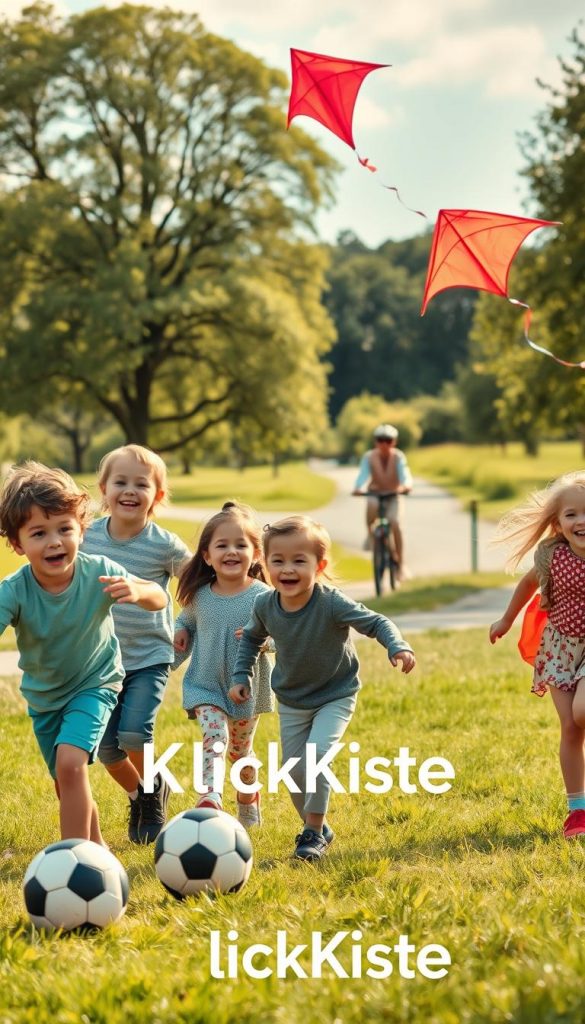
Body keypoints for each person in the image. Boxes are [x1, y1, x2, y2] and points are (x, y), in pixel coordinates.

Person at [229, 515, 415, 861]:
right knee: (293, 770)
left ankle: (311, 833)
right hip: (293, 699)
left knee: (315, 758)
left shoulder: (331, 602)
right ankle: (318, 826)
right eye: (278, 561)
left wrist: (397, 645)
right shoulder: (265, 604)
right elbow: (252, 639)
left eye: (299, 560)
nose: (288, 569)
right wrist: (241, 676)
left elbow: (375, 622)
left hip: (335, 694)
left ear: (320, 564)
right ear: (264, 564)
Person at [0, 461, 167, 844]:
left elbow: (159, 596)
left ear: (81, 529)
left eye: (65, 529)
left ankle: (72, 859)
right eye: (39, 533)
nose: (55, 542)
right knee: (67, 782)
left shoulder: (100, 571)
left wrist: (138, 590)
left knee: (71, 764)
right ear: (16, 543)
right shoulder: (13, 591)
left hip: (95, 684)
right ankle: (97, 854)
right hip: (45, 700)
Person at [81, 444, 191, 844]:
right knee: (108, 752)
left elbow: (199, 584)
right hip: (99, 661)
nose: (130, 490)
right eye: (120, 482)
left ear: (157, 495)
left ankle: (152, 792)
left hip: (149, 656)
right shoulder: (85, 537)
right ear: (104, 490)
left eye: (141, 484)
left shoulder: (165, 544)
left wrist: (190, 625)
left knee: (133, 735)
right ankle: (145, 791)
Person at [489, 471, 585, 840]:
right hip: (560, 648)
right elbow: (528, 584)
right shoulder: (552, 556)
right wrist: (506, 619)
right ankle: (577, 811)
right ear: (558, 523)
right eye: (572, 514)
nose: (581, 521)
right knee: (571, 727)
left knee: (582, 711)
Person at [173, 501, 274, 829]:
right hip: (205, 685)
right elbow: (184, 625)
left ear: (256, 554)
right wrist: (177, 636)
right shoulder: (200, 596)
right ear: (206, 556)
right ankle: (210, 797)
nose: (232, 551)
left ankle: (248, 798)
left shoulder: (263, 597)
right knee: (214, 738)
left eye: (241, 545)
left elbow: (281, 637)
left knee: (240, 755)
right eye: (222, 545)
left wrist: (263, 640)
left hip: (246, 692)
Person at [353, 424, 413, 578]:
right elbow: (363, 475)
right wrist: (358, 488)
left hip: (394, 495)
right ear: (375, 441)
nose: (384, 444)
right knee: (371, 508)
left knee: (395, 522)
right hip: (375, 493)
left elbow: (404, 473)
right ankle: (370, 535)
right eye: (381, 440)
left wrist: (406, 486)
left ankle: (400, 564)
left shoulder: (398, 457)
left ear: (394, 442)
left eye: (388, 440)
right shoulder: (369, 457)